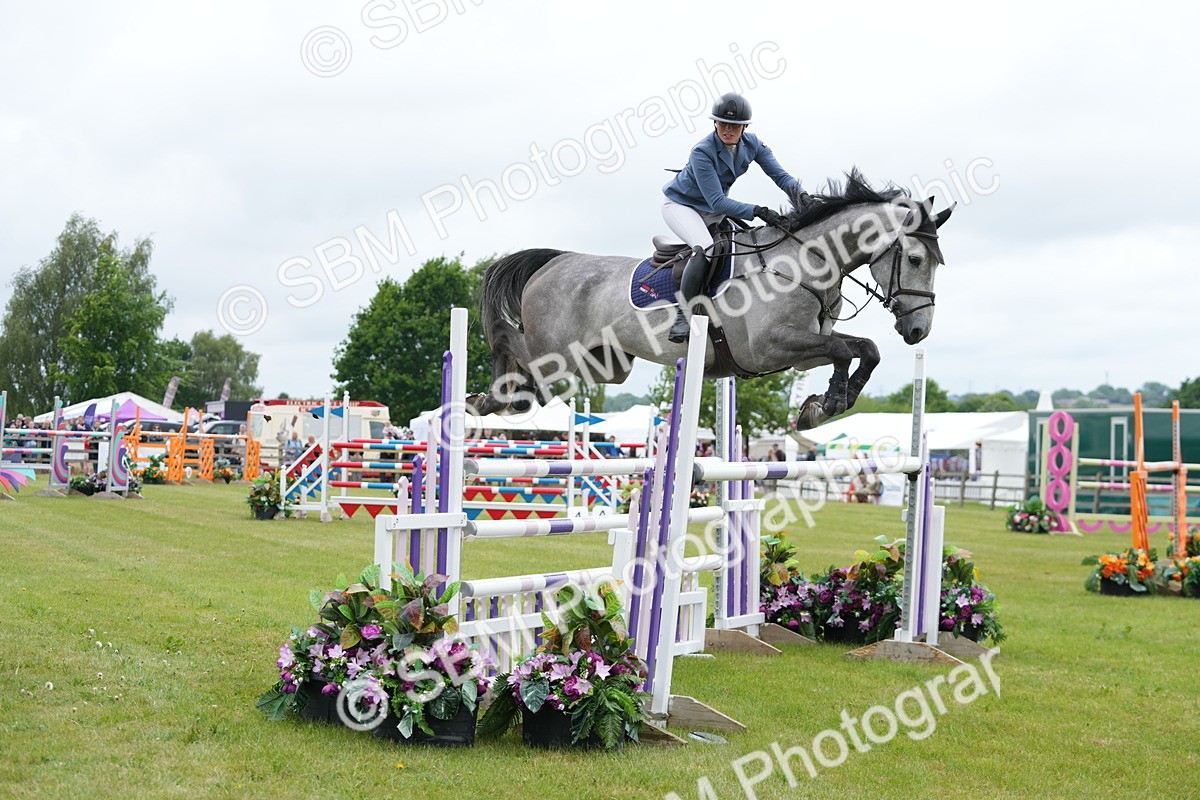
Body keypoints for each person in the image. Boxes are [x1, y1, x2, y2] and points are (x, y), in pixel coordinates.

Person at [661, 92, 807, 342]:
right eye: (723, 123)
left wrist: (803, 196)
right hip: (681, 206)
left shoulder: (753, 145)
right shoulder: (702, 152)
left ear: (744, 127)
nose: (728, 129)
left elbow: (780, 176)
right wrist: (758, 211)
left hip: (713, 209)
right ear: (715, 123)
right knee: (705, 248)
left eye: (735, 126)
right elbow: (717, 200)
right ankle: (683, 314)